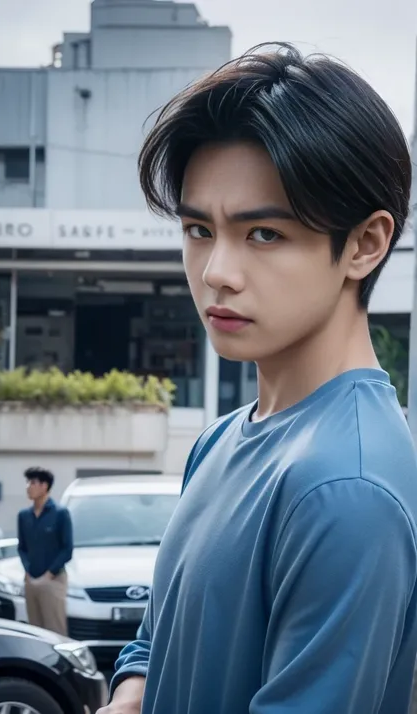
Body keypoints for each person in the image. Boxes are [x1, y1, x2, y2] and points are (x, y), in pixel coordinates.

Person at [99, 43, 417, 714]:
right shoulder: (219, 440)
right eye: (197, 229)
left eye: (263, 234)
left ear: (364, 244)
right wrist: (130, 696)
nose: (216, 271)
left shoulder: (344, 487)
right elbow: (160, 641)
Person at [18, 466, 73, 635]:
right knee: (34, 631)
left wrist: (48, 575)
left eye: (33, 482)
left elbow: (67, 549)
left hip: (53, 580)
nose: (28, 486)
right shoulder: (23, 515)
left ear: (44, 486)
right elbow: (22, 548)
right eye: (27, 482)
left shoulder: (60, 513)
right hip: (31, 580)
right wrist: (27, 572)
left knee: (55, 631)